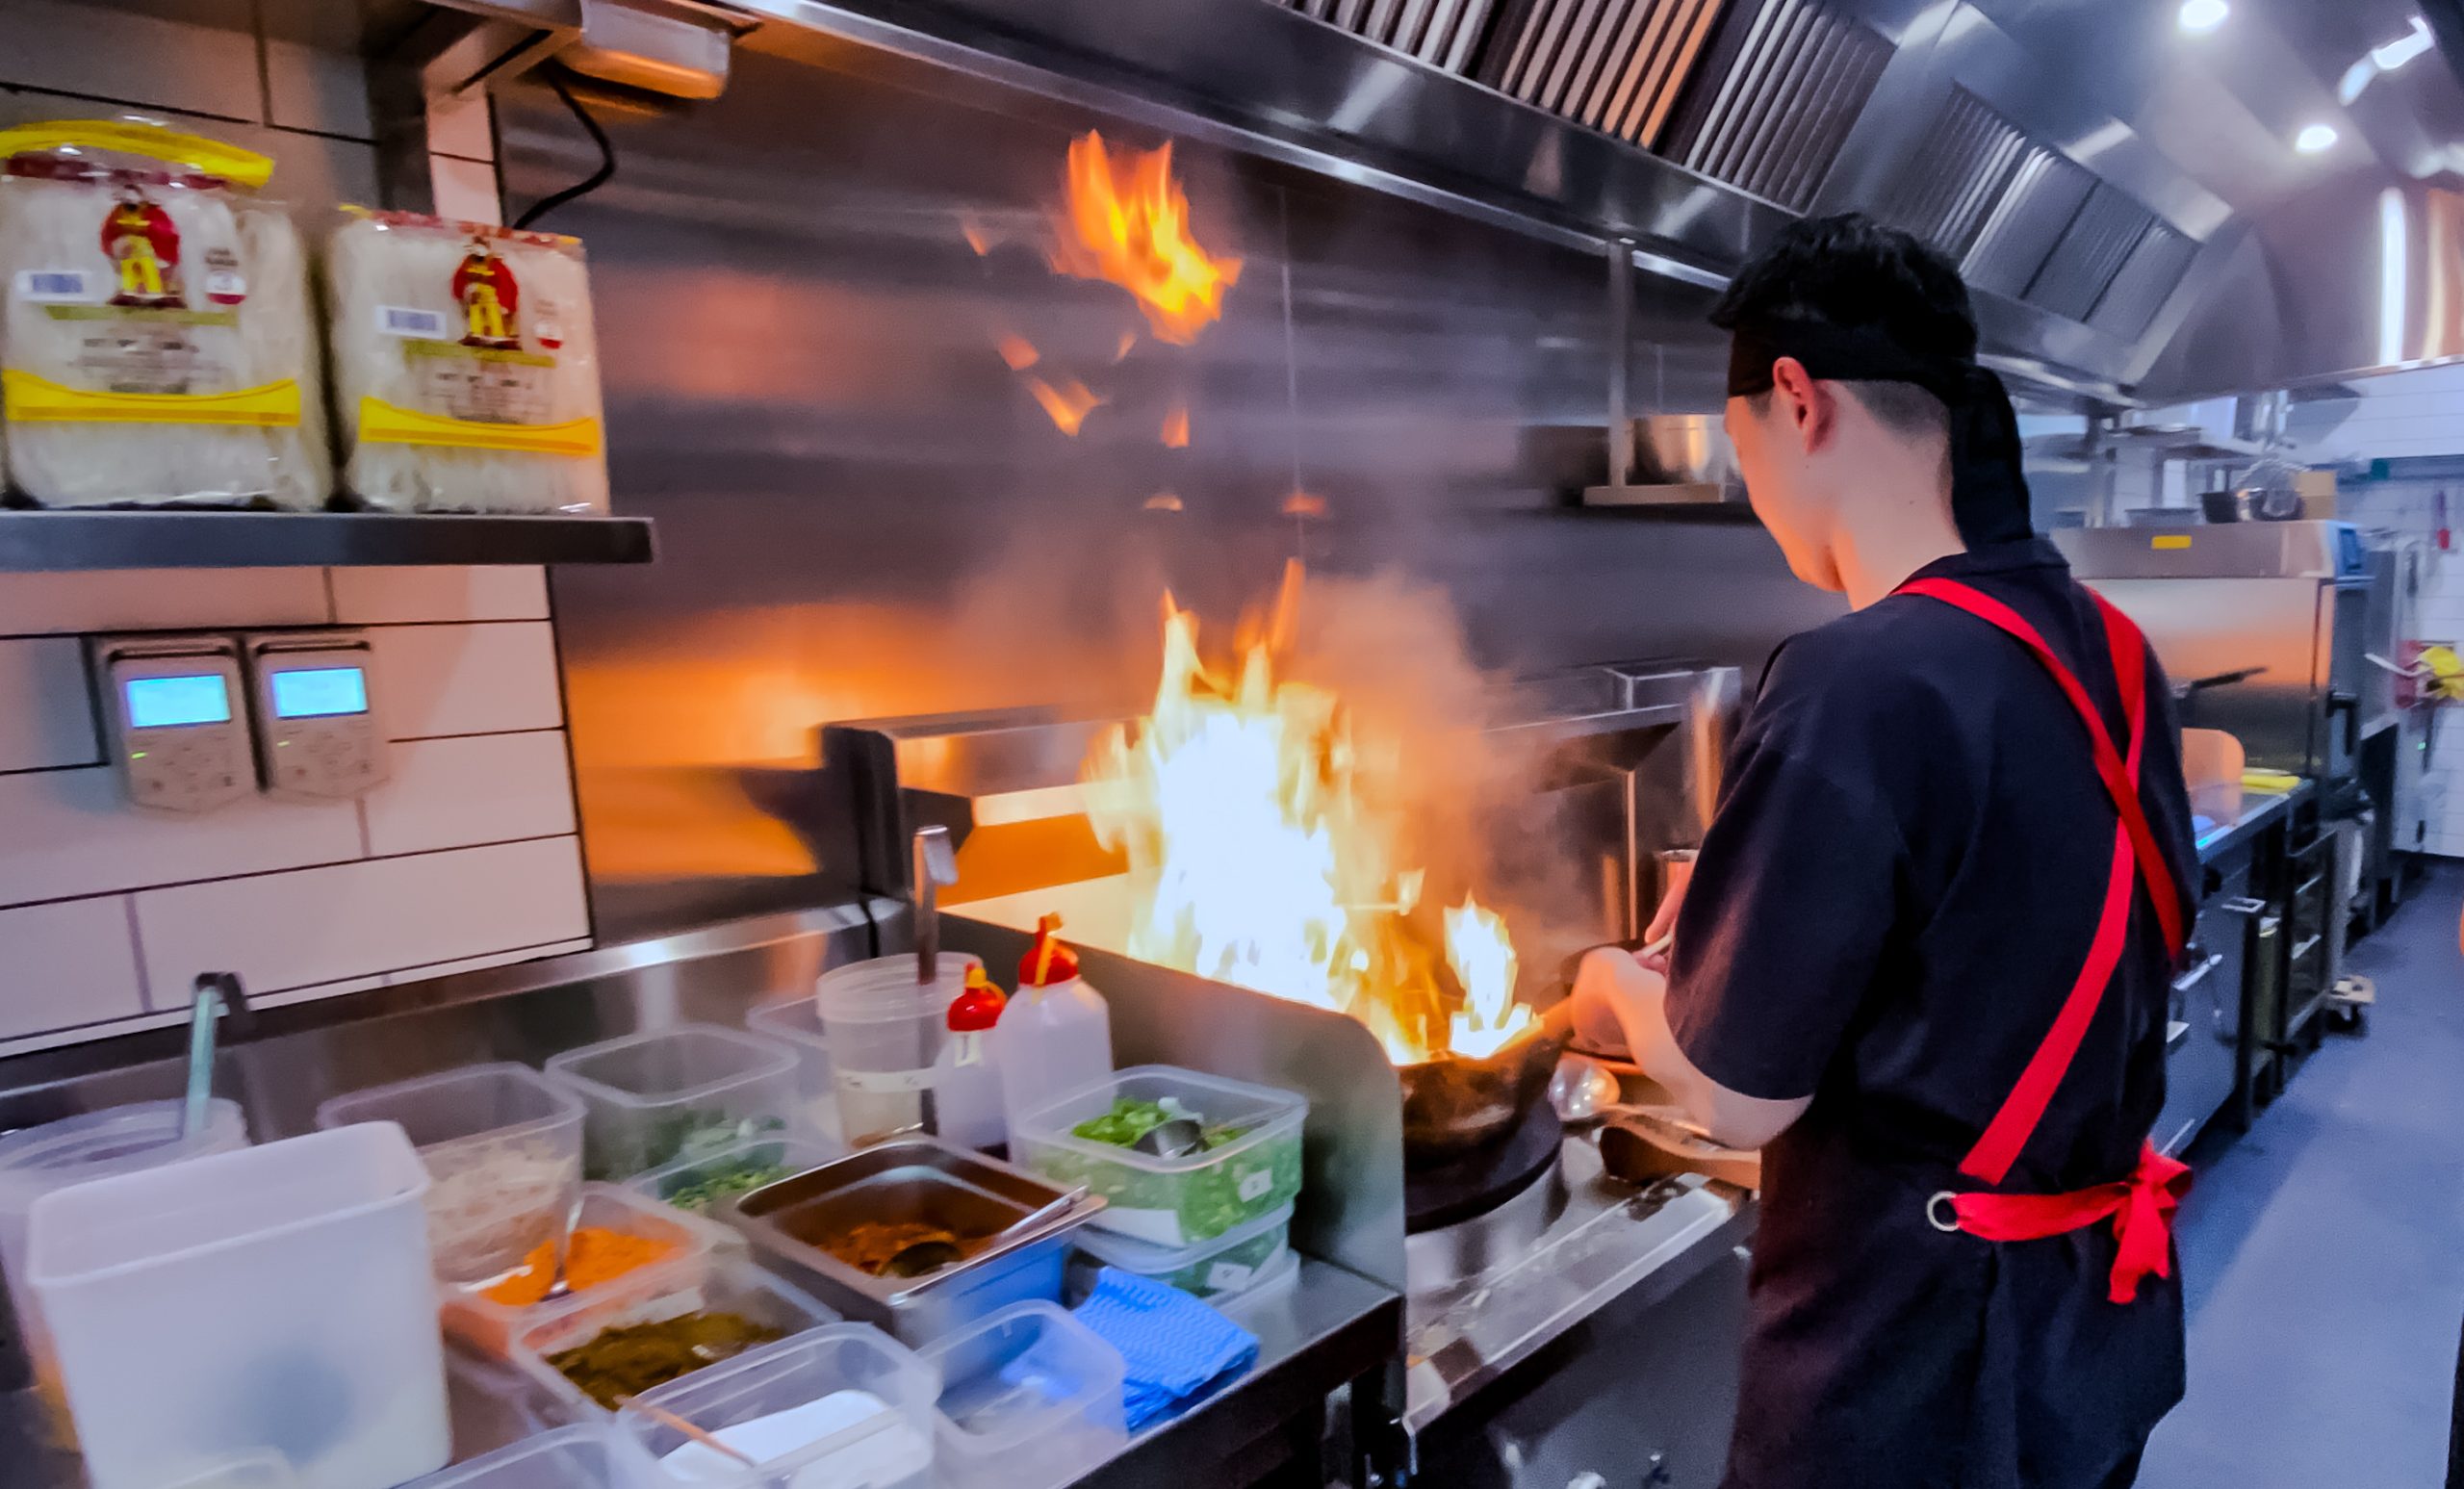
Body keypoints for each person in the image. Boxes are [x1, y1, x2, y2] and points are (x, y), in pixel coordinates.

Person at [1571, 214, 2199, 1489]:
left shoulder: (1855, 677)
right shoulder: (2113, 650)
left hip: (1913, 1373)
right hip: (2085, 1344)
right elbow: (2023, 920)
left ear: (1795, 403)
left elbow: (1740, 1098)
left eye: (1738, 443)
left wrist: (1615, 987)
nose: (1750, 490)